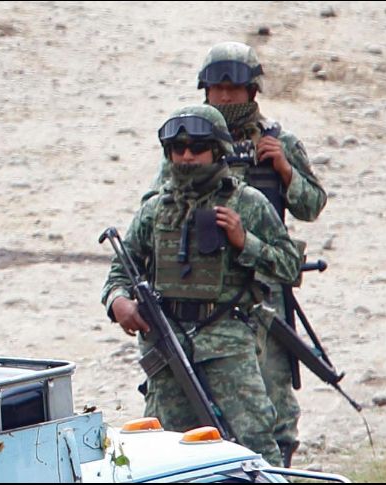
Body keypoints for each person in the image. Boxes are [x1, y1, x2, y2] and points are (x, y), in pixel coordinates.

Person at [145, 42, 328, 467]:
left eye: (234, 88)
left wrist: (284, 170)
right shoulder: (191, 139)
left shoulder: (277, 142)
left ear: (252, 91)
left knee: (268, 402)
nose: (226, 97)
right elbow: (156, 209)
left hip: (262, 287)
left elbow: (311, 205)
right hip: (202, 286)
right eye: (217, 89)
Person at [101, 104, 301, 467]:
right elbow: (121, 269)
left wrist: (245, 242)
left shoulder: (247, 203)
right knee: (162, 455)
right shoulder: (155, 210)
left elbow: (289, 266)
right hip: (168, 347)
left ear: (218, 150)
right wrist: (118, 302)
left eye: (197, 147)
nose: (187, 156)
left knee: (255, 448)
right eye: (179, 149)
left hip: (228, 348)